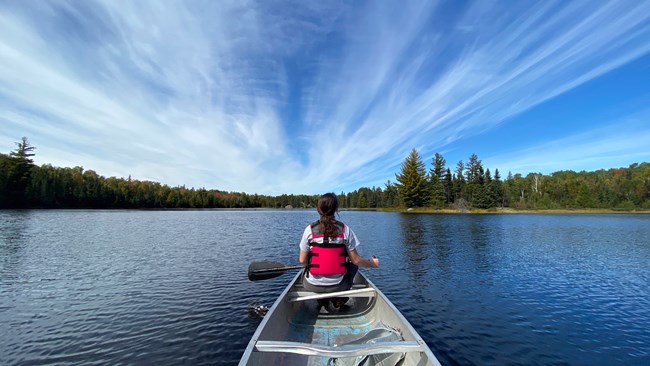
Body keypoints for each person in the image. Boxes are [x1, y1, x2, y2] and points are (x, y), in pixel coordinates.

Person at [299, 193, 379, 302]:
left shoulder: (309, 230)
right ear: (336, 208)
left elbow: (302, 260)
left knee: (307, 264)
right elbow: (356, 260)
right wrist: (371, 263)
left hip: (311, 285)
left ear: (318, 209)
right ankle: (338, 298)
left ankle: (321, 298)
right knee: (353, 265)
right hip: (339, 285)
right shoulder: (345, 230)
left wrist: (310, 266)